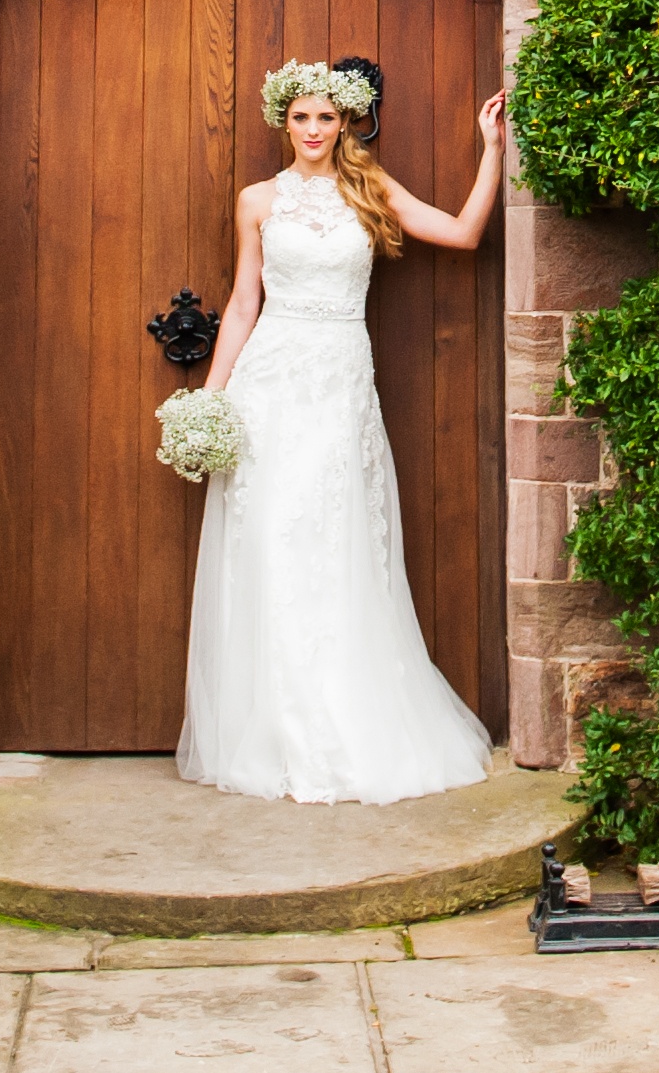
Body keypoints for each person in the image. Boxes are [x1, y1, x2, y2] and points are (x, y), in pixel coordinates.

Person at [174, 57, 506, 804]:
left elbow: (460, 233)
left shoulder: (371, 187)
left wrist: (492, 153)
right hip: (271, 381)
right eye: (302, 118)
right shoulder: (257, 199)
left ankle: (345, 718)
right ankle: (274, 730)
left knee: (335, 535)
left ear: (348, 120)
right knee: (270, 538)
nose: (315, 130)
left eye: (328, 117)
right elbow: (243, 304)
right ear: (282, 122)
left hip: (340, 380)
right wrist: (212, 399)